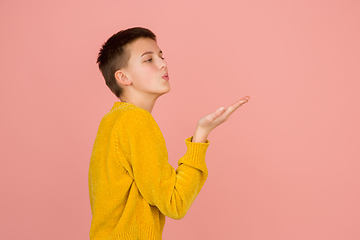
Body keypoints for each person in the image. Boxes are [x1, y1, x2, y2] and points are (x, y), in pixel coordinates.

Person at [88, 27, 250, 240]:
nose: (163, 63)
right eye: (148, 59)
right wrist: (201, 135)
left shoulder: (111, 121)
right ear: (123, 77)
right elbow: (175, 203)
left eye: (161, 56)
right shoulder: (137, 120)